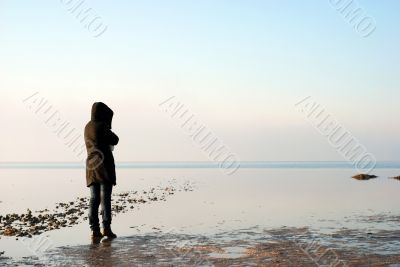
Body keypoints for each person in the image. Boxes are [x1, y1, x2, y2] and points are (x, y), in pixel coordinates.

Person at [84, 102, 119, 239]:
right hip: (104, 166)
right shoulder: (101, 126)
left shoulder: (87, 126)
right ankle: (106, 229)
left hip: (91, 167)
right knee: (105, 198)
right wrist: (108, 127)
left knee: (94, 199)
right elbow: (115, 139)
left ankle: (94, 231)